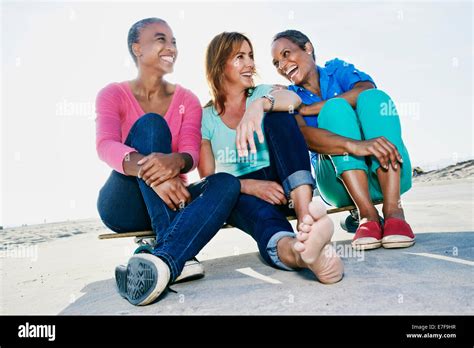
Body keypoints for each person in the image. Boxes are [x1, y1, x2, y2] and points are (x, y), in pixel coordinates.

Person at [95, 18, 240, 306]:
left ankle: (166, 258)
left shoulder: (187, 99)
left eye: (173, 41)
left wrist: (173, 164)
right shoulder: (113, 94)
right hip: (125, 204)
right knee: (151, 125)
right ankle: (170, 242)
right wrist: (153, 174)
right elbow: (105, 146)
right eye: (161, 39)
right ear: (137, 48)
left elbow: (190, 154)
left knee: (226, 183)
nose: (170, 47)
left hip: (174, 198)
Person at [199, 32, 344, 284]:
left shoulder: (262, 93)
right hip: (240, 192)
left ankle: (305, 222)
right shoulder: (205, 117)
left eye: (251, 56)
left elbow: (294, 99)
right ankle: (303, 255)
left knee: (280, 113)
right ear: (219, 64)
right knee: (262, 221)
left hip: (286, 185)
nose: (250, 64)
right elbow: (208, 178)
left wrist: (259, 106)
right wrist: (249, 186)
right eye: (240, 57)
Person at [270, 30, 415, 251]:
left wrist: (311, 109)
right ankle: (367, 215)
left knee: (374, 98)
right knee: (334, 110)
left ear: (308, 48)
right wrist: (354, 145)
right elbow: (304, 137)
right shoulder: (291, 96)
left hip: (389, 175)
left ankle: (394, 211)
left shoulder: (336, 69)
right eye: (276, 63)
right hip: (339, 186)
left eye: (286, 53)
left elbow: (366, 88)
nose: (282, 65)